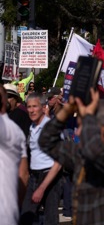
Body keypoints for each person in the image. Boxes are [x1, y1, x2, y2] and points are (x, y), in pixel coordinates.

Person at [38, 89, 104, 224]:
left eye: (85, 126)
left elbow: (97, 153)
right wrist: (66, 111)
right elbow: (45, 141)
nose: (78, 132)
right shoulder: (81, 154)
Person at [20, 92, 62, 225]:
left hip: (50, 177)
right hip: (34, 176)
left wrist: (42, 187)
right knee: (25, 216)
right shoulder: (32, 126)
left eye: (35, 106)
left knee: (50, 219)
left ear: (43, 107)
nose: (31, 110)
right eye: (29, 107)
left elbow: (59, 162)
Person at [0, 84, 27, 225]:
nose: (8, 100)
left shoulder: (18, 120)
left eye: (11, 97)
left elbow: (23, 173)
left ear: (16, 99)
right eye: (6, 96)